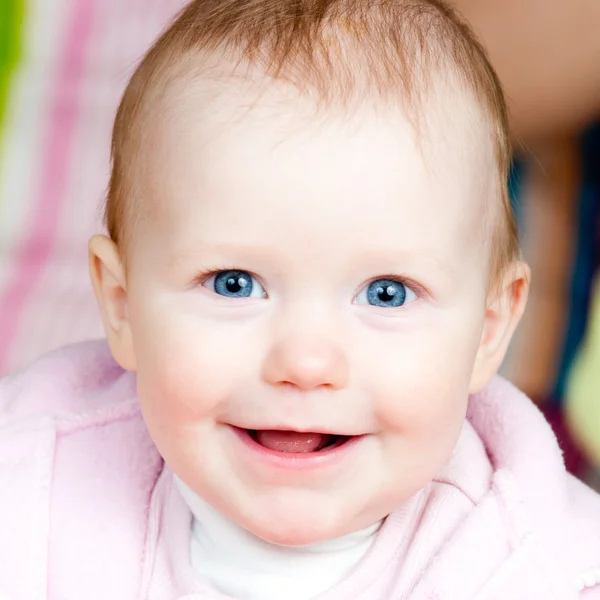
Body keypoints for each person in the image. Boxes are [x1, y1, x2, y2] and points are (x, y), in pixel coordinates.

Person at [0, 0, 599, 598]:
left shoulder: (536, 565)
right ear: (122, 304)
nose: (305, 364)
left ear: (489, 328)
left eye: (387, 294)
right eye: (233, 283)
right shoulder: (33, 488)